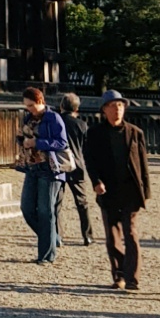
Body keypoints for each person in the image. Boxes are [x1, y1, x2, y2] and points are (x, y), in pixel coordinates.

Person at [84, 88, 152, 292]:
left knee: (130, 234)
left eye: (120, 106)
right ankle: (119, 275)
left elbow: (143, 164)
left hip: (130, 190)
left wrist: (145, 191)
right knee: (112, 235)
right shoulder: (95, 133)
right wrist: (96, 182)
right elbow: (90, 160)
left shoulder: (135, 132)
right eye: (113, 106)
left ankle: (133, 278)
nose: (117, 110)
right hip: (108, 190)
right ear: (104, 110)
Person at [15, 84, 70, 267]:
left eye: (31, 105)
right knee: (27, 208)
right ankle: (51, 237)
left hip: (50, 168)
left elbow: (62, 142)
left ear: (40, 102)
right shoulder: (28, 119)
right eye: (26, 106)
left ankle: (46, 255)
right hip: (32, 167)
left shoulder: (53, 118)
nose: (29, 109)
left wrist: (38, 142)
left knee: (46, 211)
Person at [59, 92, 94, 246]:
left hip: (58, 165)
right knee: (82, 203)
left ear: (61, 107)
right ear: (77, 108)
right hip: (77, 166)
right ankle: (87, 235)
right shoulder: (82, 125)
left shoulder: (57, 122)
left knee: (55, 202)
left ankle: (57, 235)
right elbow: (88, 150)